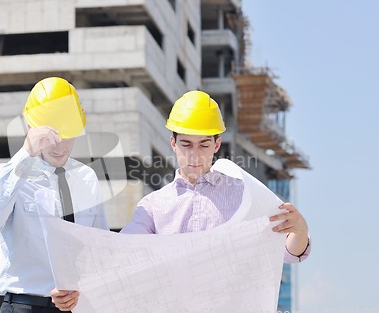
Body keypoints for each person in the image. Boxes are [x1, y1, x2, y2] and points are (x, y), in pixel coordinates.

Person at [0, 77, 109, 313]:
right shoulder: (6, 176)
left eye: (67, 136)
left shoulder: (86, 178)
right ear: (31, 129)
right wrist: (25, 156)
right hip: (25, 310)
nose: (59, 146)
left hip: (79, 311)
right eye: (50, 137)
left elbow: (99, 246)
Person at [121, 90, 310, 263]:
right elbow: (119, 252)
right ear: (173, 143)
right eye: (186, 144)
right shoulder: (153, 207)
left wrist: (300, 230)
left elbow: (287, 253)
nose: (194, 154)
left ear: (217, 144)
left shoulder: (243, 195)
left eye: (203, 144)